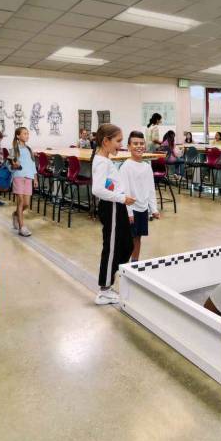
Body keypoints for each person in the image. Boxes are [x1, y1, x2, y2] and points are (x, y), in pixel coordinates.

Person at [91, 123, 137, 305]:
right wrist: (122, 198)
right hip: (112, 208)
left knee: (126, 245)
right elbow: (97, 190)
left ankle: (110, 279)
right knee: (112, 248)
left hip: (117, 207)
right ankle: (104, 289)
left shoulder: (105, 159)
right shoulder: (102, 161)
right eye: (118, 141)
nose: (121, 144)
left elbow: (108, 184)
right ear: (106, 141)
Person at [120, 131, 160, 263]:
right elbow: (124, 191)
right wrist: (129, 212)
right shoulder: (126, 166)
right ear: (128, 147)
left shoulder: (147, 167)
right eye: (135, 143)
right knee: (128, 240)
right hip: (131, 210)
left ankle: (135, 264)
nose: (139, 146)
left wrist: (153, 209)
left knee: (138, 238)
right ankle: (124, 266)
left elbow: (150, 189)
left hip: (143, 209)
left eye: (141, 143)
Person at [8, 127, 37, 237]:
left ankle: (15, 214)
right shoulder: (13, 150)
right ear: (18, 136)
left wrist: (35, 179)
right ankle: (22, 227)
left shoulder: (29, 150)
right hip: (18, 177)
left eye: (27, 134)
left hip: (29, 178)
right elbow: (8, 167)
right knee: (20, 202)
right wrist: (13, 165)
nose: (27, 135)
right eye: (25, 134)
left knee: (26, 204)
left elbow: (33, 165)